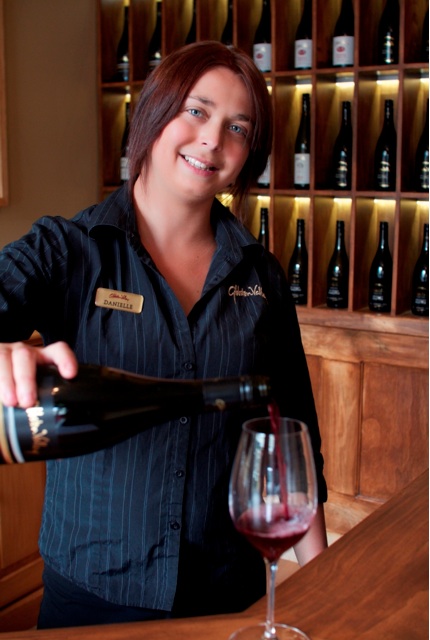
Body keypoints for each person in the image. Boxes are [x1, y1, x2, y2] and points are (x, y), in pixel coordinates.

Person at [0, 41, 327, 628]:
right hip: (91, 595)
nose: (212, 139)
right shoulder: (67, 251)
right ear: (154, 110)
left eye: (238, 127)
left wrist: (330, 585)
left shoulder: (261, 276)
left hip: (229, 593)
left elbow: (293, 427)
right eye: (196, 111)